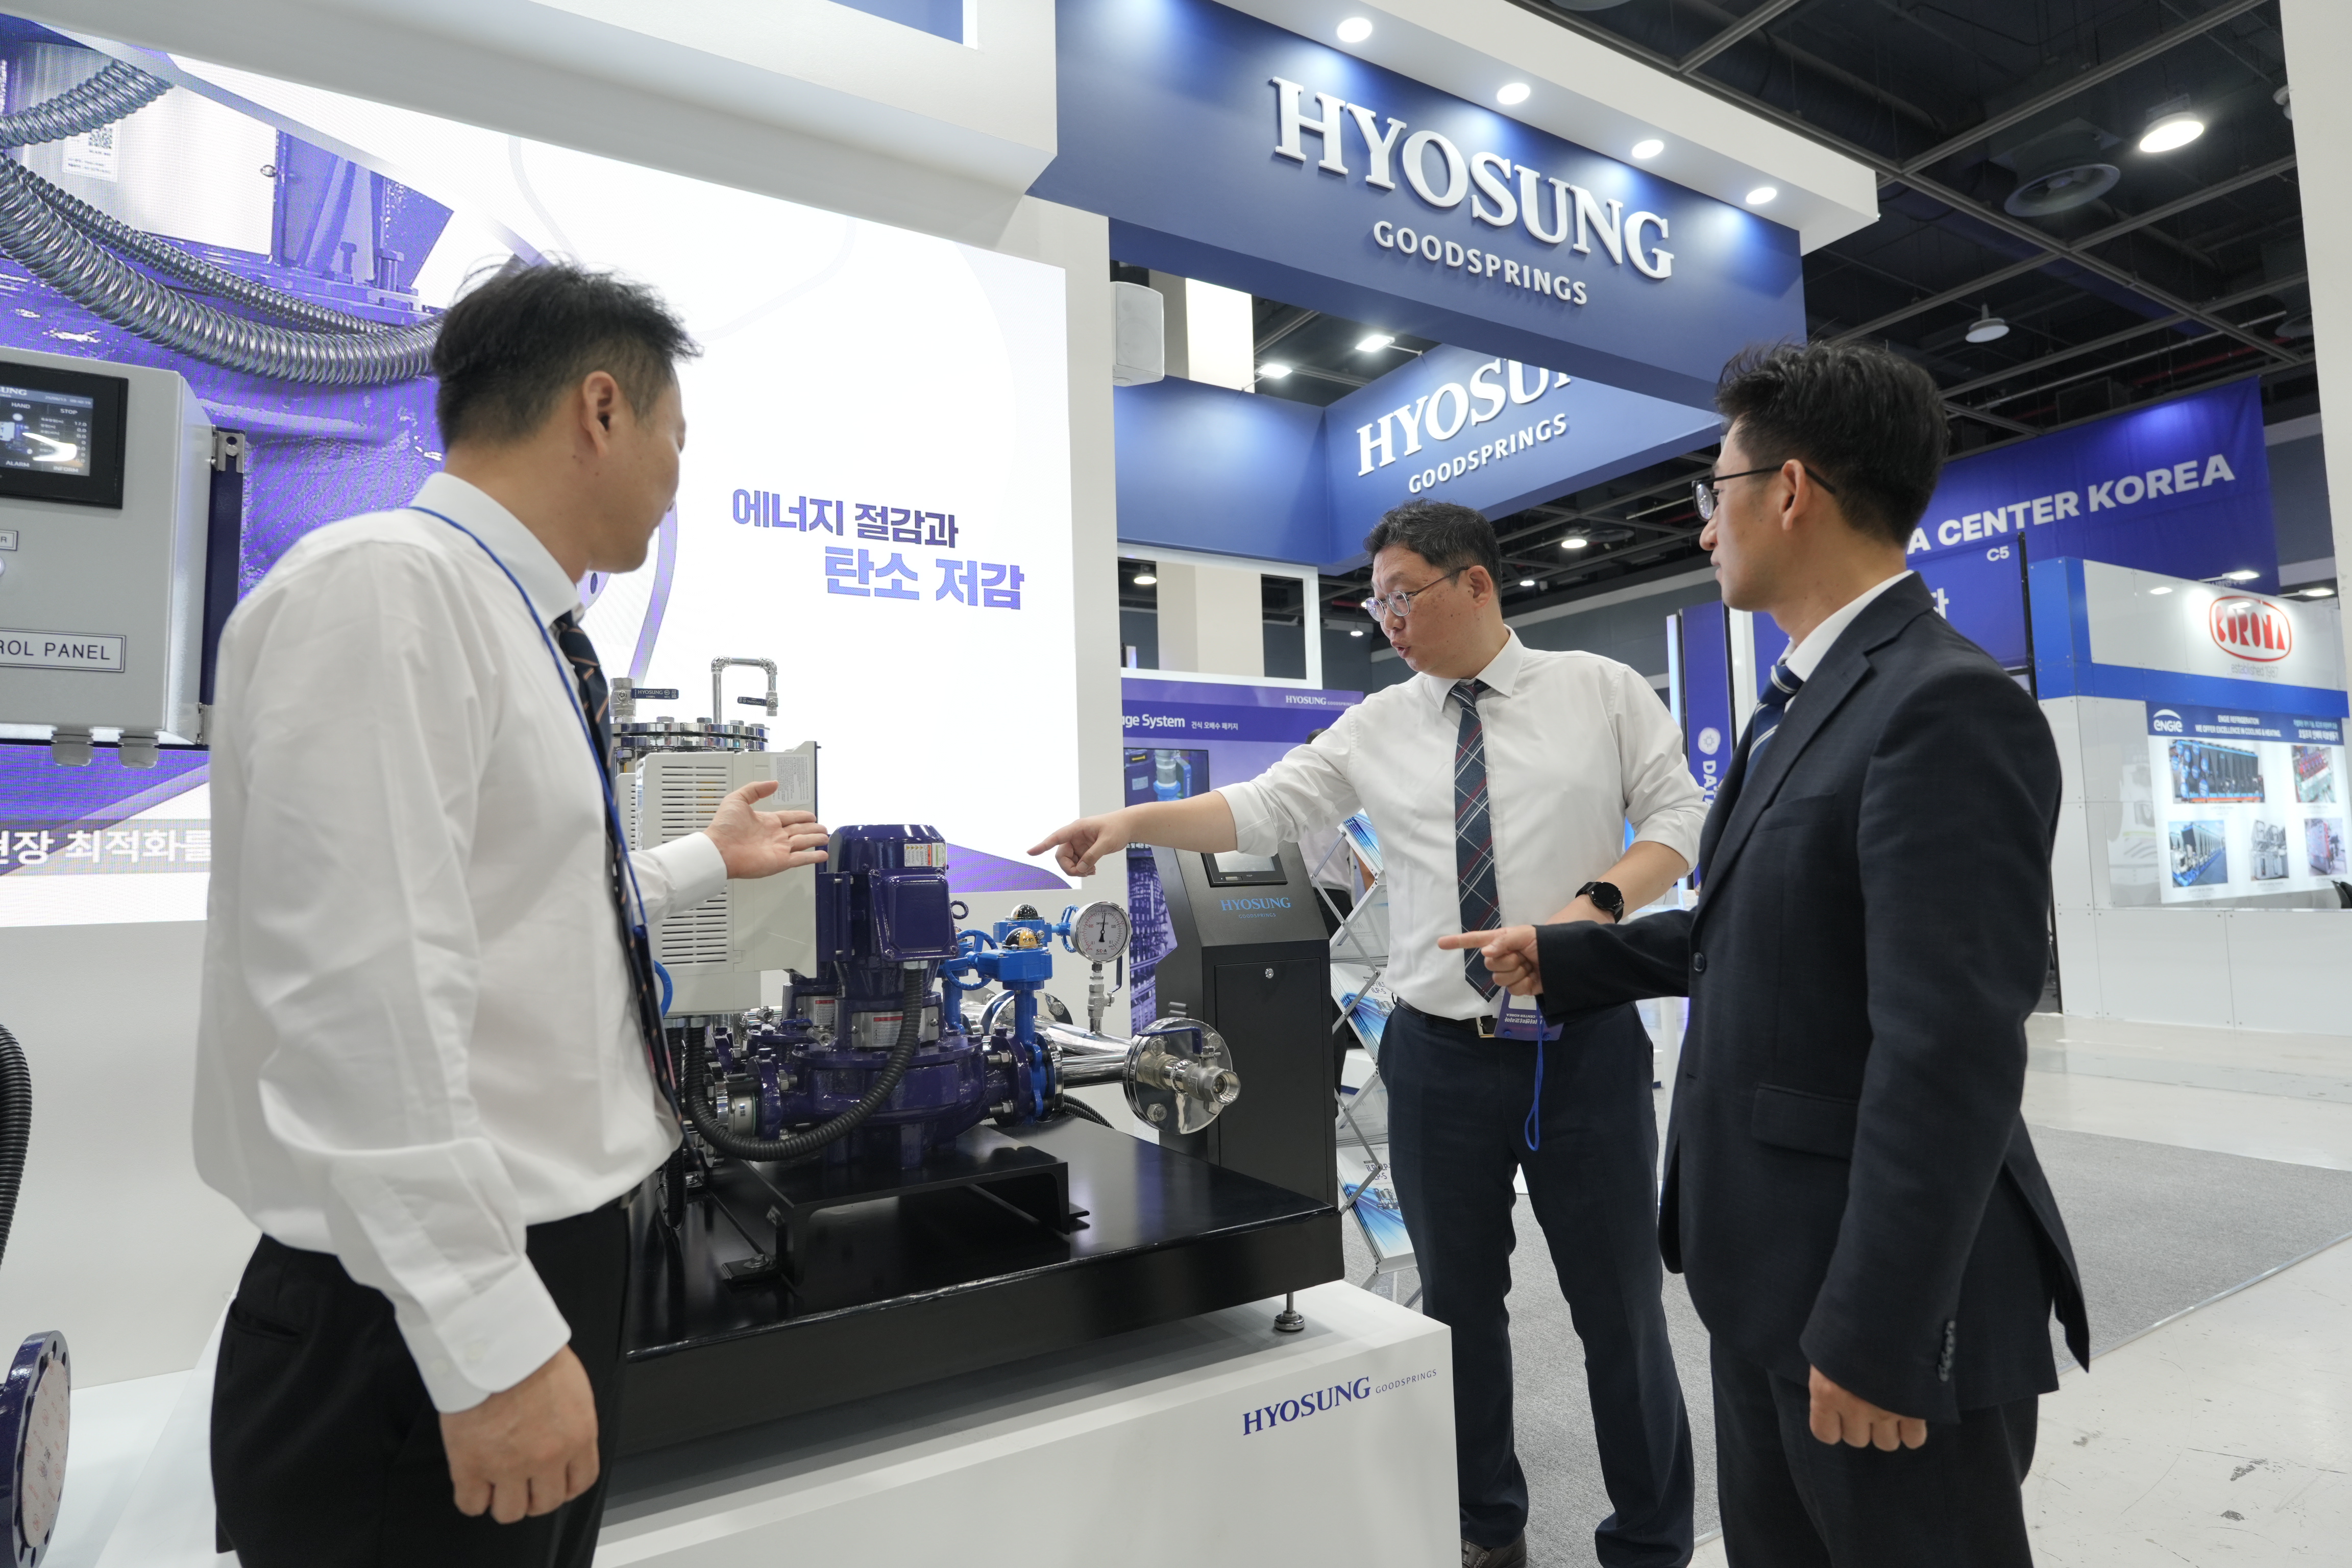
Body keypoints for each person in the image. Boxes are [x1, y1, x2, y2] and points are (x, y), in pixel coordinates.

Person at [194, 263, 830, 1566]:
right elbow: (360, 996)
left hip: (522, 1266)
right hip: (411, 1315)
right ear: (601, 409)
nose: (678, 477)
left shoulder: (510, 619)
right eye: (676, 437)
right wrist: (483, 1332)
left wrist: (701, 861)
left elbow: (510, 903)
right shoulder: (387, 590)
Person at [1448, 340, 2091, 1567]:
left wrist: (1880, 1327)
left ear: (1790, 491)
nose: (1704, 530)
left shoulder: (1941, 705)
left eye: (1716, 491)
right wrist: (1568, 956)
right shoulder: (1806, 700)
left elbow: (1949, 1052)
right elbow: (1761, 930)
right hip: (1769, 1278)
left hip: (1872, 1303)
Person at [1033, 501, 1704, 1568]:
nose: (1387, 619)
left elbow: (1678, 819)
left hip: (1581, 1046)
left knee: (1619, 1308)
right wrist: (1130, 824)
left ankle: (1652, 1541)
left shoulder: (1599, 691)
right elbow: (1261, 808)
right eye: (1377, 602)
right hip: (1438, 1056)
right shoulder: (1378, 724)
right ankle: (1487, 1525)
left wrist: (1588, 916)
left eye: (1404, 595)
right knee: (1460, 1308)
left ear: (1476, 584)